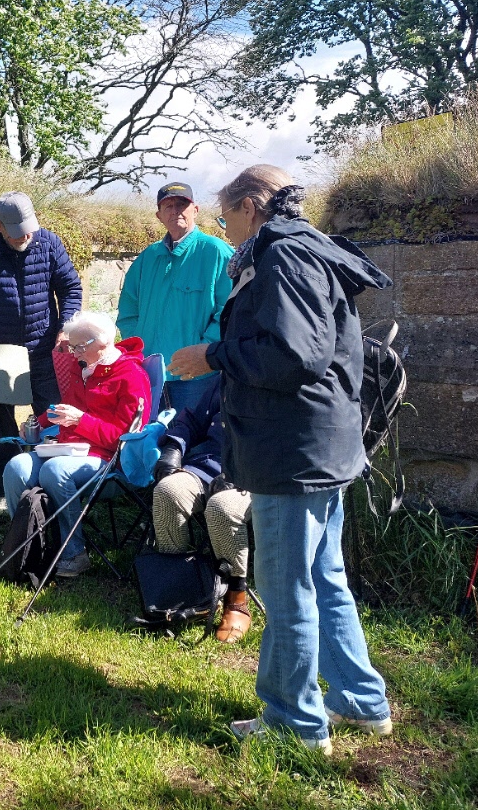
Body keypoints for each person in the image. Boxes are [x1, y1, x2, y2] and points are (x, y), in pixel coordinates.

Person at [168, 164, 393, 756]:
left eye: (225, 218)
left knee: (287, 586)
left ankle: (294, 721)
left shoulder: (283, 255)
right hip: (316, 444)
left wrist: (214, 355)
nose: (226, 230)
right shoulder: (303, 248)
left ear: (250, 207)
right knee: (323, 578)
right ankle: (361, 702)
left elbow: (296, 355)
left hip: (294, 450)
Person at [0, 191, 84, 493]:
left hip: (45, 350)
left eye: (28, 228)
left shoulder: (49, 243)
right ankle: (4, 488)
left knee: (54, 416)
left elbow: (70, 289)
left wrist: (65, 328)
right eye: (16, 231)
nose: (25, 236)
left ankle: (53, 485)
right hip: (1, 353)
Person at [3, 311, 150, 578]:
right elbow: (66, 407)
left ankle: (74, 554)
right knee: (16, 467)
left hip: (109, 460)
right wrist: (38, 423)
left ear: (103, 341)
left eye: (79, 347)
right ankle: (25, 549)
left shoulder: (132, 376)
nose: (74, 354)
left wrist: (81, 421)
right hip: (67, 449)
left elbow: (124, 439)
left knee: (55, 471)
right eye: (72, 347)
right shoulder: (83, 367)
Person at [150, 378, 253, 642]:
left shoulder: (282, 379)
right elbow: (193, 420)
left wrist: (241, 472)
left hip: (257, 476)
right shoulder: (228, 378)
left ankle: (236, 599)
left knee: (222, 507)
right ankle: (182, 590)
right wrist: (174, 447)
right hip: (210, 465)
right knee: (168, 491)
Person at [117, 181, 233, 414]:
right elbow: (128, 310)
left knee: (193, 436)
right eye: (168, 206)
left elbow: (230, 310)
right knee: (151, 435)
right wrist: (139, 349)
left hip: (197, 376)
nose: (175, 211)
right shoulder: (148, 257)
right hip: (150, 373)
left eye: (182, 205)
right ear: (159, 215)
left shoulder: (216, 252)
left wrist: (204, 352)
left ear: (195, 210)